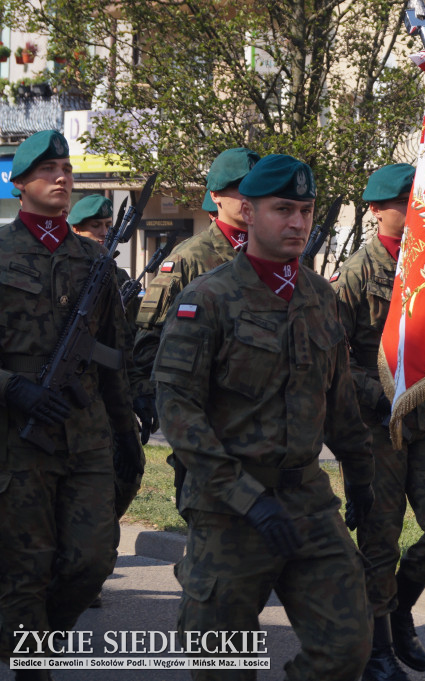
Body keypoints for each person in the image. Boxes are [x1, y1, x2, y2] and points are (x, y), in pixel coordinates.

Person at [153, 154, 376, 680]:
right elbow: (178, 411)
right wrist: (247, 500)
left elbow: (340, 401)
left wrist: (364, 477)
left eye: (305, 209)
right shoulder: (206, 300)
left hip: (307, 501)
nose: (298, 222)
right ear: (248, 214)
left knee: (347, 648)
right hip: (230, 509)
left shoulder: (321, 298)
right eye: (282, 209)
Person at [0, 130, 142, 680]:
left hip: (86, 438)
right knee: (26, 568)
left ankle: (36, 642)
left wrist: (127, 434)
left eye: (66, 167)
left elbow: (114, 356)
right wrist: (13, 387)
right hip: (18, 441)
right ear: (19, 182)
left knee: (92, 560)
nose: (61, 177)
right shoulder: (3, 257)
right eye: (46, 170)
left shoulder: (96, 261)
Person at [333, 163, 425, 681]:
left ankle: (403, 603)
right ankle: (378, 647)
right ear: (375, 211)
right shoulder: (357, 273)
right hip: (376, 425)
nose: (415, 213)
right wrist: (381, 392)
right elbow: (337, 355)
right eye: (403, 204)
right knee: (378, 540)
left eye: (419, 202)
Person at [132, 147, 260, 444]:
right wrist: (149, 394)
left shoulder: (272, 253)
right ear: (215, 195)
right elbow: (151, 337)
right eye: (239, 189)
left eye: (255, 188)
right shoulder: (188, 258)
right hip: (206, 416)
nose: (249, 197)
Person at [68, 194, 145, 520]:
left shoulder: (119, 277)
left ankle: (103, 528)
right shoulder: (67, 272)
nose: (101, 233)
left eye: (105, 226)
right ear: (74, 229)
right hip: (72, 392)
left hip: (111, 392)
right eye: (92, 228)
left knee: (129, 470)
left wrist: (140, 391)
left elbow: (127, 341)